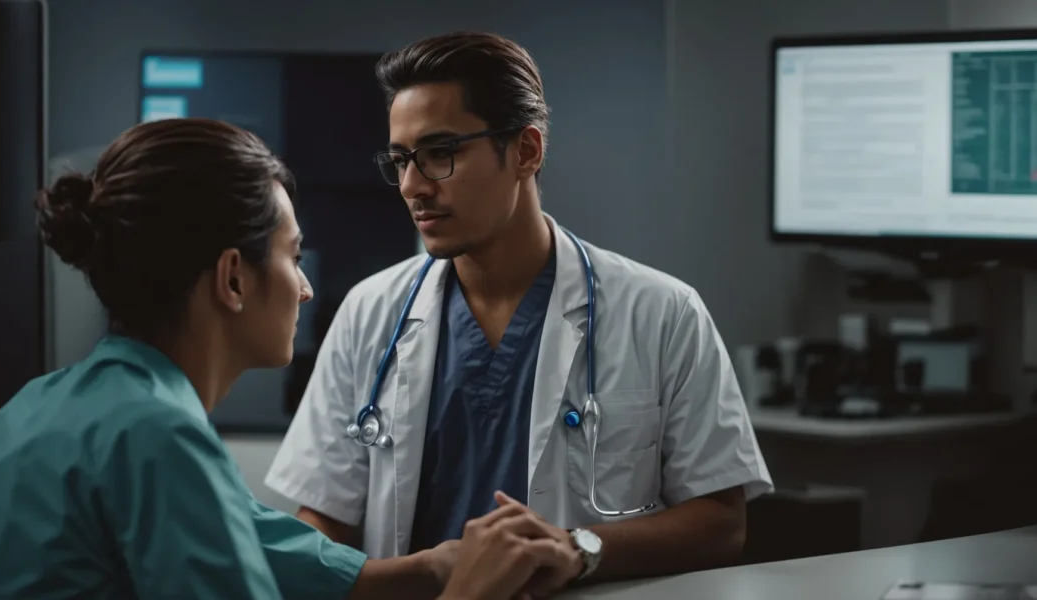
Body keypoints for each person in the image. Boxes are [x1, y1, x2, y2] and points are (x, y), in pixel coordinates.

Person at [0, 117, 580, 600]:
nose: (303, 286)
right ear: (233, 280)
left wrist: (430, 568)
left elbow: (253, 540)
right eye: (293, 256)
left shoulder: (34, 409)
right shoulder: (158, 435)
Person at [265, 30, 774, 590]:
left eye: (440, 154)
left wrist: (579, 548)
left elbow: (722, 521)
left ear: (526, 151)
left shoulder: (663, 312)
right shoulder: (370, 311)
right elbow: (323, 513)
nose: (412, 186)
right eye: (401, 159)